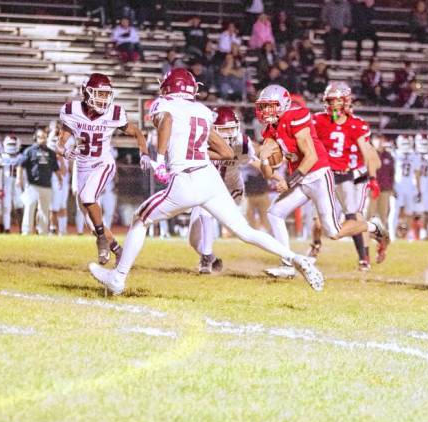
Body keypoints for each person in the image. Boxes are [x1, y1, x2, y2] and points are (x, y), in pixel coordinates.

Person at [89, 68, 324, 293]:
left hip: (186, 178)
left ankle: (117, 277)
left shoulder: (165, 105)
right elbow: (226, 152)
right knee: (244, 231)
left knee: (140, 218)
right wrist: (199, 152)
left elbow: (168, 121)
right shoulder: (202, 110)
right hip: (209, 178)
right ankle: (297, 258)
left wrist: (160, 159)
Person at [255, 84, 389, 278]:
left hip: (318, 176)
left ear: (283, 104)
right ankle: (287, 263)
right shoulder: (270, 130)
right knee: (275, 213)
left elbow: (311, 157)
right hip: (302, 179)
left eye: (271, 105)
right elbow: (268, 173)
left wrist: (289, 181)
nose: (266, 111)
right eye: (264, 106)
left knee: (333, 232)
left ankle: (373, 226)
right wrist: (265, 158)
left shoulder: (295, 117)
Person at [57, 73, 148, 265]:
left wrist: (144, 153)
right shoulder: (71, 110)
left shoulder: (114, 113)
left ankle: (101, 241)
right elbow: (60, 143)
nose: (103, 99)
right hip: (82, 167)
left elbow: (137, 132)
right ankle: (119, 251)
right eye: (99, 94)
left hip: (103, 163)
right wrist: (65, 152)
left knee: (88, 197)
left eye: (106, 95)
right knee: (92, 221)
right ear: (86, 93)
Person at [311, 82, 381, 270]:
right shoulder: (318, 120)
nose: (332, 105)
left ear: (346, 101)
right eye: (330, 101)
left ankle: (364, 257)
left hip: (346, 176)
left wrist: (372, 177)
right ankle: (316, 244)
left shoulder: (356, 125)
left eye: (336, 101)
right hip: (324, 176)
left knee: (353, 217)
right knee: (319, 222)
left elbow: (368, 154)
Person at [188, 107, 257, 273]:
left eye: (231, 129)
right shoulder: (202, 140)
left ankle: (205, 260)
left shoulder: (243, 144)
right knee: (193, 239)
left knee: (239, 230)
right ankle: (210, 257)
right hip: (206, 187)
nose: (228, 134)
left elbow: (253, 161)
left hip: (231, 189)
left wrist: (274, 174)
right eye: (223, 130)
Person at [17, 127, 61, 235]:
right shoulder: (29, 151)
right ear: (35, 138)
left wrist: (60, 179)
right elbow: (20, 165)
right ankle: (26, 231)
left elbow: (55, 168)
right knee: (29, 208)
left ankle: (42, 232)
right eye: (40, 137)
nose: (43, 139)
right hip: (33, 185)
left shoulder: (51, 153)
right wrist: (19, 178)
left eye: (44, 137)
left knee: (44, 211)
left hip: (47, 185)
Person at [0, 134, 24, 233]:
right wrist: (0, 188)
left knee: (19, 206)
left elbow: (24, 174)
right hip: (6, 184)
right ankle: (7, 229)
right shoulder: (1, 156)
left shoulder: (21, 156)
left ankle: (22, 229)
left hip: (17, 184)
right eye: (10, 144)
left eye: (13, 144)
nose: (11, 146)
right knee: (6, 207)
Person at [366, 137, 394, 235]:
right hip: (372, 188)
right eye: (377, 139)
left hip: (385, 189)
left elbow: (392, 173)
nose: (379, 142)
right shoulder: (369, 155)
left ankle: (382, 235)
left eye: (381, 140)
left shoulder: (389, 156)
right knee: (370, 213)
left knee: (383, 214)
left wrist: (391, 188)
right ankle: (365, 234)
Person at [46, 121, 70, 235]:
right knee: (52, 207)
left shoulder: (64, 147)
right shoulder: (47, 150)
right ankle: (52, 229)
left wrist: (60, 157)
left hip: (63, 182)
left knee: (62, 206)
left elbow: (65, 171)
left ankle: (62, 230)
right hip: (52, 180)